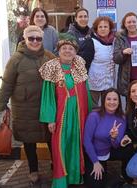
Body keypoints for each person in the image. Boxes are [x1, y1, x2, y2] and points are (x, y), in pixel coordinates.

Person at [0, 25, 56, 183]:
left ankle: (55, 164)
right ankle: (33, 170)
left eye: (38, 38)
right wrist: (2, 104)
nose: (35, 41)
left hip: (46, 106)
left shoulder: (49, 57)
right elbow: (7, 83)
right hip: (24, 108)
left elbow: (59, 80)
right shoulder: (16, 59)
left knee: (51, 137)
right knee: (29, 141)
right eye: (31, 38)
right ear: (25, 39)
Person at [39, 39, 92, 187]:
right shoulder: (52, 67)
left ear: (75, 52)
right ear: (59, 51)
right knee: (61, 146)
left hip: (79, 115)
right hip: (61, 116)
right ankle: (61, 181)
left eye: (71, 49)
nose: (67, 51)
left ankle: (75, 177)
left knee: (77, 143)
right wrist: (50, 119)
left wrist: (89, 115)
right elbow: (48, 96)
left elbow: (86, 92)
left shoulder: (79, 67)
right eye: (64, 48)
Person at [83, 88, 128, 188]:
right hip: (92, 154)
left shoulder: (122, 118)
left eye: (115, 99)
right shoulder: (94, 116)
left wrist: (113, 137)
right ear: (103, 101)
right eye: (109, 99)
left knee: (129, 149)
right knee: (95, 185)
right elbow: (86, 141)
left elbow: (116, 145)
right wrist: (95, 162)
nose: (112, 102)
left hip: (108, 152)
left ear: (119, 102)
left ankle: (125, 176)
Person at [88, 16, 116, 107]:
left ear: (110, 28)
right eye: (100, 27)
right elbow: (85, 62)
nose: (103, 29)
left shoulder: (114, 41)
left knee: (108, 106)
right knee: (93, 107)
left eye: (105, 27)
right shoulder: (91, 42)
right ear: (96, 29)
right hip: (94, 82)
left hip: (108, 81)